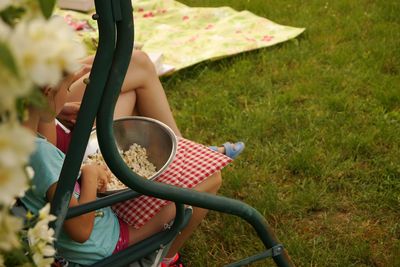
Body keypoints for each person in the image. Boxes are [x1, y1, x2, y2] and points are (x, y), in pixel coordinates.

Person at [22, 67, 232, 266]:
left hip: (87, 231)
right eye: (68, 89)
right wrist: (90, 174)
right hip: (104, 243)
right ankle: (163, 260)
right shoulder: (40, 156)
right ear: (47, 91)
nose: (69, 94)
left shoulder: (16, 146)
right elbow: (80, 231)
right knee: (211, 178)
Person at [38, 50, 245, 158]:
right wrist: (50, 110)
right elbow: (48, 153)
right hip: (71, 151)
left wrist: (59, 109)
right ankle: (181, 151)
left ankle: (178, 148)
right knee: (137, 72)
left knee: (130, 63)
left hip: (52, 118)